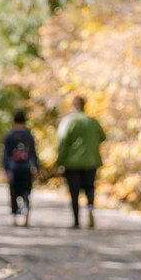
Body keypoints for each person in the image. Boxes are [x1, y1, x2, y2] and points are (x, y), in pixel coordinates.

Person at [57, 95, 106, 229]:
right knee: (90, 188)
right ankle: (90, 208)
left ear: (73, 105)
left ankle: (76, 221)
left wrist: (60, 162)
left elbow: (63, 142)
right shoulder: (92, 122)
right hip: (91, 161)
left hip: (72, 163)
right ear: (85, 105)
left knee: (74, 192)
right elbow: (102, 137)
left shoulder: (69, 121)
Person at [2, 109, 40, 227]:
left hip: (13, 169)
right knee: (26, 192)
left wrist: (6, 169)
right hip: (26, 168)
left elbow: (5, 154)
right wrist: (37, 168)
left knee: (14, 193)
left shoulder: (9, 136)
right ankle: (26, 217)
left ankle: (14, 217)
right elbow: (33, 153)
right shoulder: (29, 136)